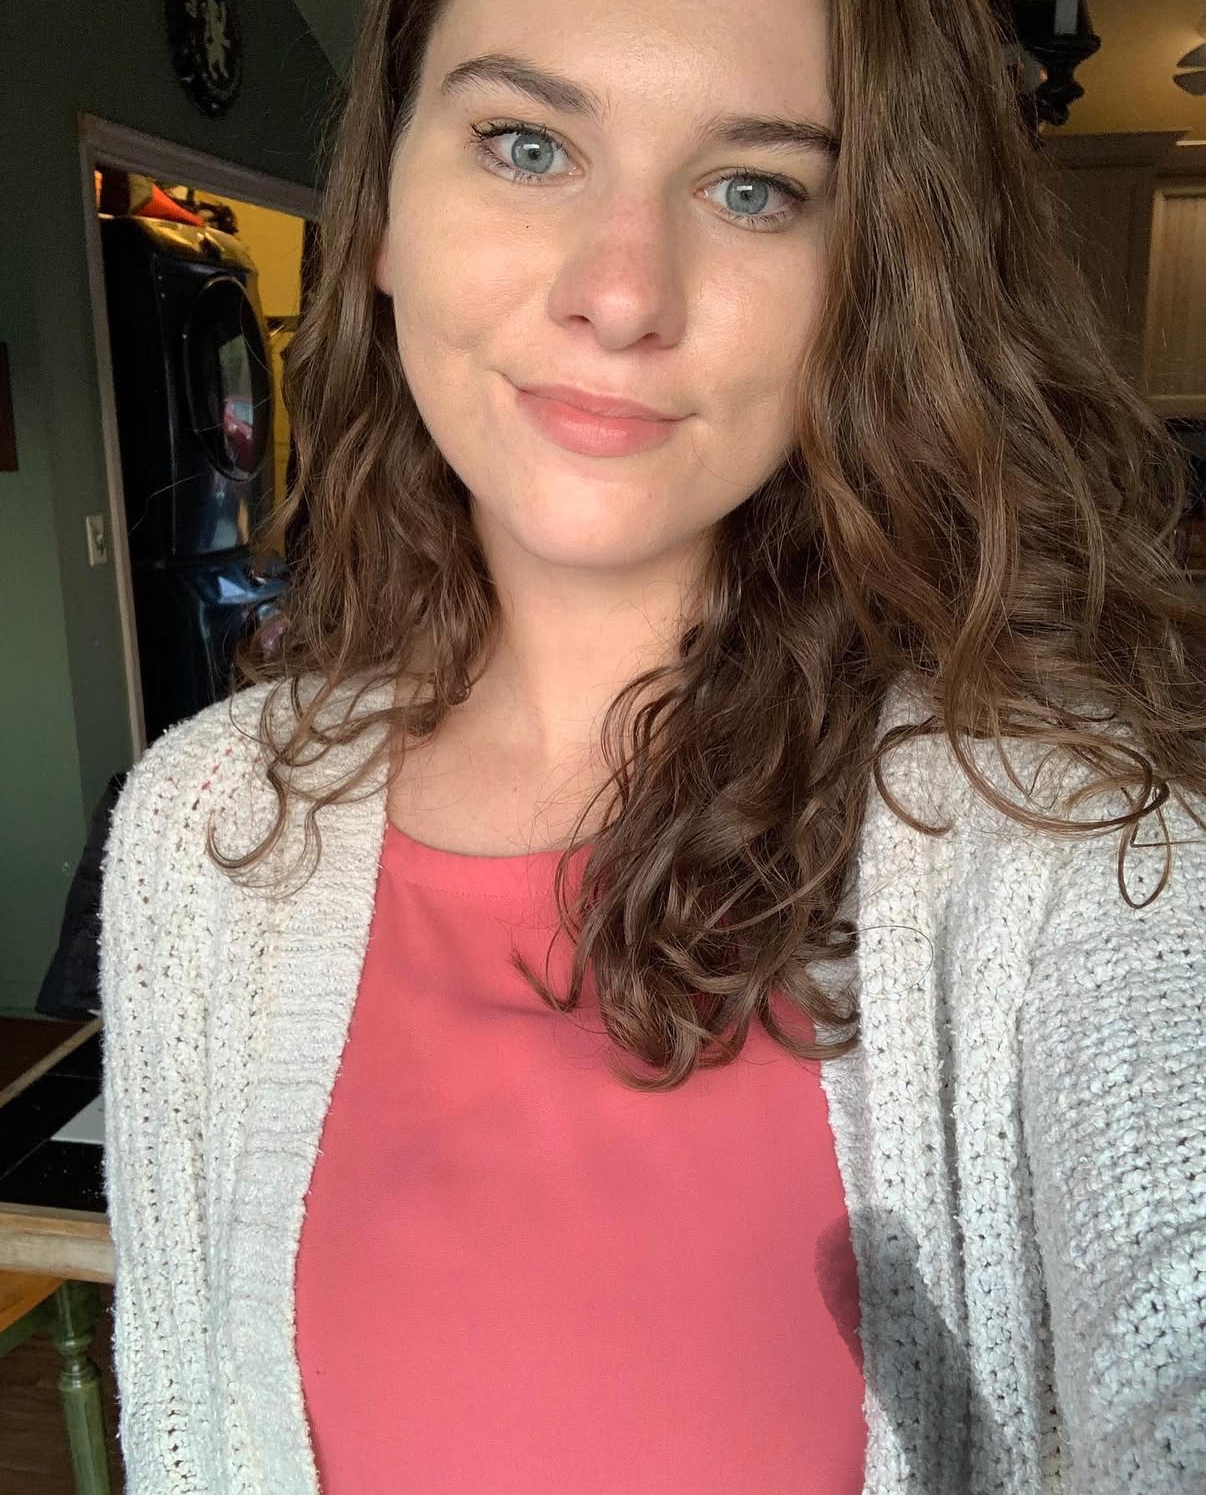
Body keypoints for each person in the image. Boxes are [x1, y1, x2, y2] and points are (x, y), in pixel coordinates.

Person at [97, 0, 1206, 1491]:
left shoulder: (1066, 847)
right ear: (382, 218)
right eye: (525, 145)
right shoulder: (203, 831)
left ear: (873, 276)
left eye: (754, 188)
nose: (621, 295)